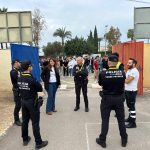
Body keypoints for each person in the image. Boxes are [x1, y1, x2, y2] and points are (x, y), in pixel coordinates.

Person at [96, 55, 128, 148]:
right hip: (118, 98)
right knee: (121, 120)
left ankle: (102, 140)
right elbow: (123, 83)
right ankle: (124, 139)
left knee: (105, 120)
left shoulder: (103, 73)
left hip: (107, 98)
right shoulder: (122, 72)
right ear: (117, 62)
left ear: (109, 62)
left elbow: (100, 83)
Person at [18, 60, 48, 149]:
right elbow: (39, 88)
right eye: (31, 66)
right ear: (28, 67)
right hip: (32, 102)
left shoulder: (20, 78)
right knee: (35, 122)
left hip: (23, 101)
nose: (32, 67)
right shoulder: (31, 79)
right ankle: (38, 143)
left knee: (25, 121)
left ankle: (25, 139)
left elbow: (20, 89)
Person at [125, 58, 139, 128]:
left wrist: (120, 78)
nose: (128, 64)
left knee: (132, 107)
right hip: (127, 90)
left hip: (132, 91)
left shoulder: (134, 71)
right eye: (128, 62)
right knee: (129, 105)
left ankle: (133, 123)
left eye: (129, 63)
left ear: (134, 64)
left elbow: (127, 81)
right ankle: (130, 118)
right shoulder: (129, 70)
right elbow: (126, 79)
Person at [10, 59, 22, 126]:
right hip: (16, 90)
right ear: (16, 63)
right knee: (18, 105)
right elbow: (18, 80)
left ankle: (26, 117)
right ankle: (16, 120)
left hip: (21, 89)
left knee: (23, 104)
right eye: (19, 62)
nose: (20, 63)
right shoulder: (13, 71)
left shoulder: (20, 70)